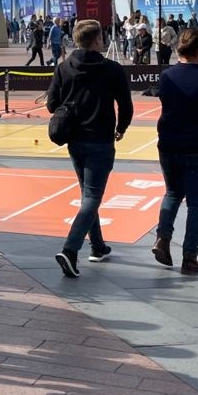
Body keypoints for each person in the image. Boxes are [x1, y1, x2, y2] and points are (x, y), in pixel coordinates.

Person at [48, 19, 133, 278]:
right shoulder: (112, 69)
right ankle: (70, 250)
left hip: (75, 140)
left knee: (87, 194)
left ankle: (97, 246)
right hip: (100, 140)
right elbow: (126, 105)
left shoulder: (64, 68)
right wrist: (121, 128)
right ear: (96, 40)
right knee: (92, 198)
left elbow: (52, 104)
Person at [153, 27, 198, 275]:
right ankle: (190, 257)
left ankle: (162, 238)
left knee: (173, 193)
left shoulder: (167, 76)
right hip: (197, 145)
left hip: (169, 144)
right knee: (196, 205)